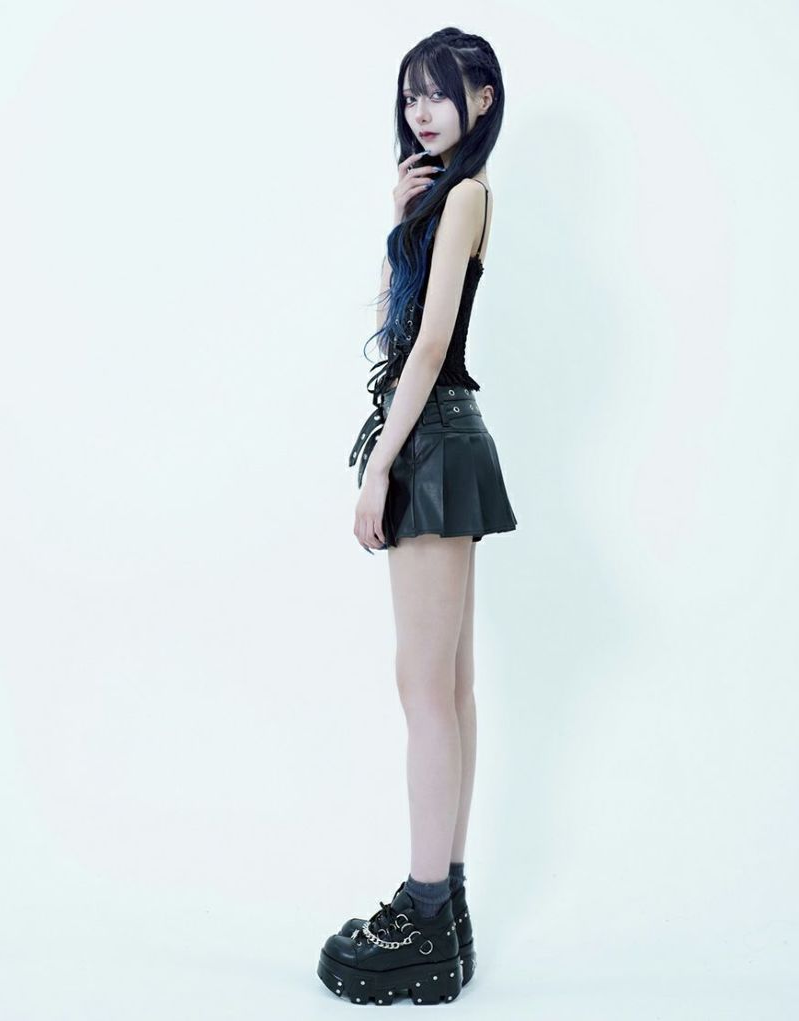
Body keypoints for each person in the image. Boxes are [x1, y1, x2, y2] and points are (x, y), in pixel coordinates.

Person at [317, 27, 517, 1005]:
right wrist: (398, 226)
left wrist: (379, 468)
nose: (420, 111)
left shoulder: (468, 193)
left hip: (432, 443)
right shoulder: (442, 200)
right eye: (409, 96)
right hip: (441, 437)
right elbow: (399, 332)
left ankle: (426, 910)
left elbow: (428, 346)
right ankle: (447, 905)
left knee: (426, 691)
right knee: (447, 688)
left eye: (437, 92)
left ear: (482, 98)